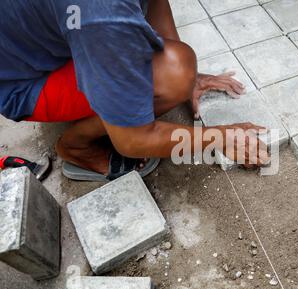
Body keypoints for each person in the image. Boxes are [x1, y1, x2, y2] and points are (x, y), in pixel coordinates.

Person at [0, 0, 269, 181]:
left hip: (42, 41)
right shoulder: (100, 15)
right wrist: (220, 138)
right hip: (24, 84)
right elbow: (132, 140)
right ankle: (76, 146)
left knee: (179, 70)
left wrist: (190, 79)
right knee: (171, 76)